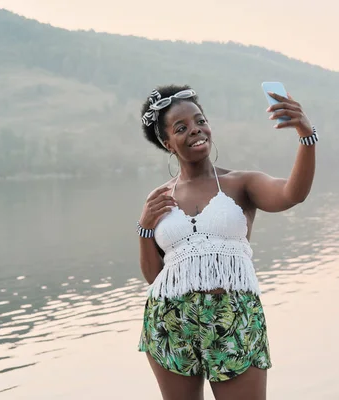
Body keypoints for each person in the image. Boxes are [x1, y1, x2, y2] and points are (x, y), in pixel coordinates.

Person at [136, 84, 317, 400]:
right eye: (182, 128)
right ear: (167, 142)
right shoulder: (159, 198)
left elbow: (292, 194)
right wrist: (144, 228)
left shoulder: (241, 184)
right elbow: (154, 277)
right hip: (170, 320)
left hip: (232, 316)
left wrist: (306, 135)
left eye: (199, 120)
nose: (196, 130)